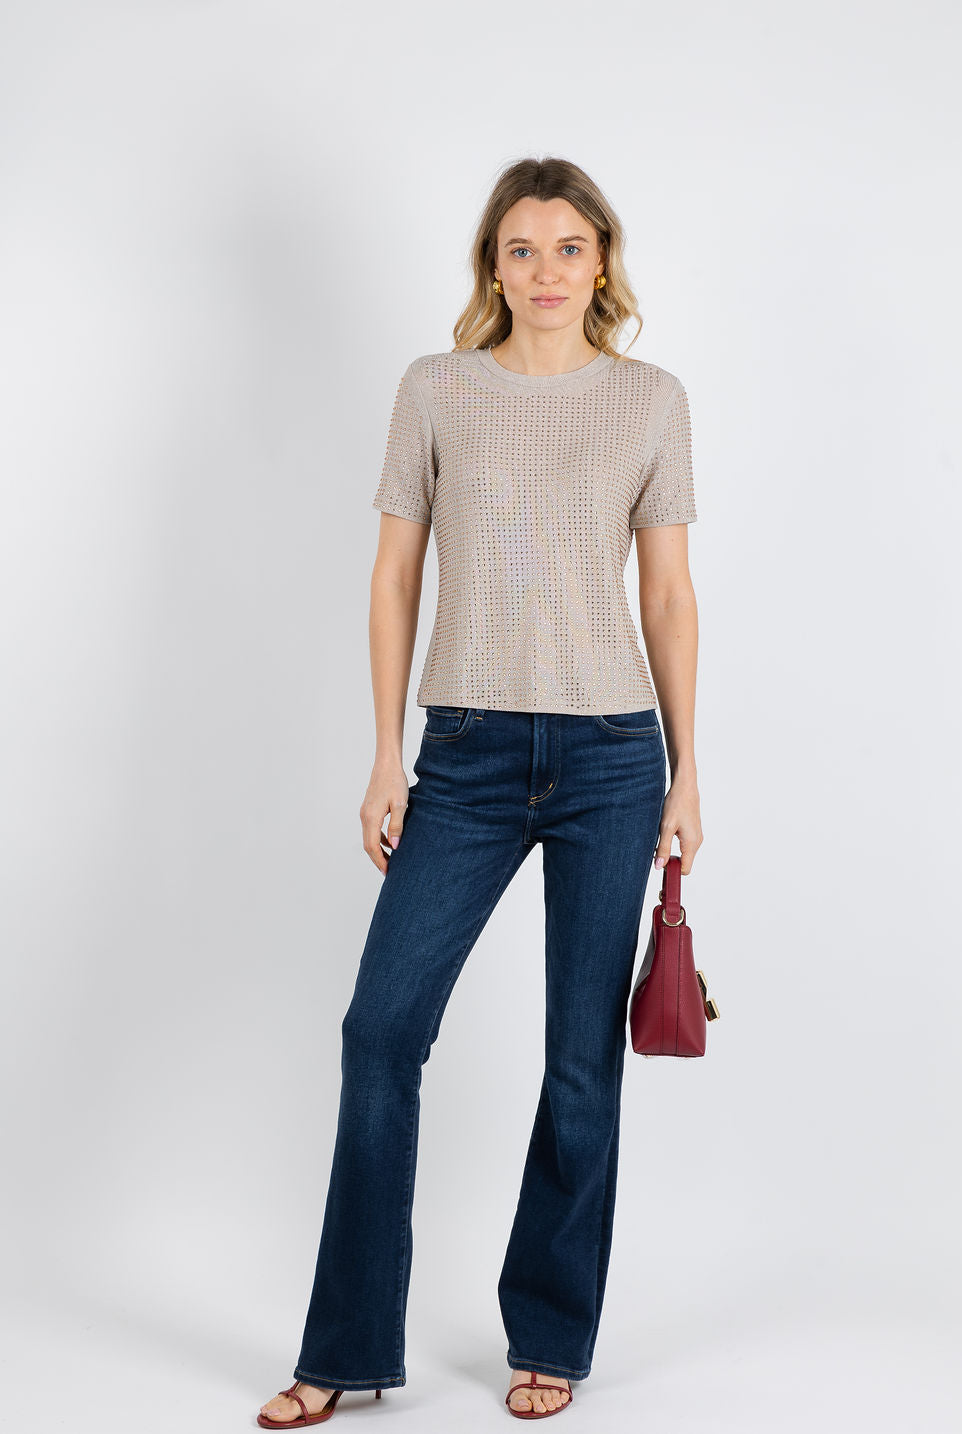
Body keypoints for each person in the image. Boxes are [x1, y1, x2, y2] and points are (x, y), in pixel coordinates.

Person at [257, 154, 703, 1427]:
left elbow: (667, 596)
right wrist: (384, 753)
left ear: (600, 265)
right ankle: (345, 1347)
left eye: (570, 248)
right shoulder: (436, 389)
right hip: (462, 753)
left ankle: (549, 1332)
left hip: (613, 756)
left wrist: (688, 769)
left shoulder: (651, 400)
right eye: (522, 248)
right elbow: (394, 577)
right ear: (491, 267)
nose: (546, 270)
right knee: (380, 1031)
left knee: (578, 1062)